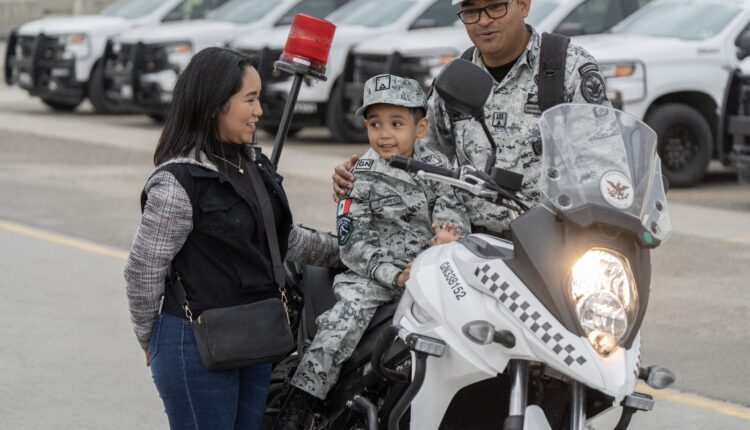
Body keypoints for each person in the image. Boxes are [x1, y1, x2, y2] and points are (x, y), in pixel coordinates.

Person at [124, 47, 338, 430]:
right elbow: (143, 270)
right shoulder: (178, 183)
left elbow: (282, 240)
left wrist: (349, 252)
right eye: (250, 99)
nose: (259, 111)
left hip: (256, 338)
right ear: (212, 105)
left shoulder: (253, 165)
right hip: (195, 347)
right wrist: (148, 339)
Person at [278, 74, 470, 429]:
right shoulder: (359, 176)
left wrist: (449, 232)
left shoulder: (438, 169)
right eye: (375, 123)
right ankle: (300, 402)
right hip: (374, 276)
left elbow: (452, 206)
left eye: (397, 124)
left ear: (421, 127)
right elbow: (352, 245)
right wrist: (393, 275)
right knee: (341, 322)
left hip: (433, 270)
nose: (384, 134)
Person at [332, 0, 612, 233]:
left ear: (524, 5)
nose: (483, 21)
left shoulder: (567, 68)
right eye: (471, 11)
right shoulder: (454, 79)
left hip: (555, 247)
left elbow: (606, 162)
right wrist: (363, 175)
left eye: (495, 6)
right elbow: (418, 156)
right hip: (472, 248)